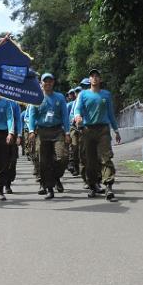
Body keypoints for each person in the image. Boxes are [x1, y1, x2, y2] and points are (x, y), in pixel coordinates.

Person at [74, 68, 122, 201]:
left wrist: (116, 130)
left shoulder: (106, 95)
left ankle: (108, 187)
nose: (94, 78)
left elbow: (111, 114)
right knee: (90, 161)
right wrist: (78, 116)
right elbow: (78, 109)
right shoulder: (83, 95)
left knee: (106, 157)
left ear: (100, 79)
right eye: (92, 76)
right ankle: (92, 185)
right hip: (88, 130)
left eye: (97, 76)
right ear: (89, 79)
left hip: (103, 130)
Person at [28, 73, 70, 199]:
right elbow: (32, 116)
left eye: (50, 81)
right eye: (45, 81)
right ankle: (50, 188)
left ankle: (56, 177)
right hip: (42, 132)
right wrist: (31, 131)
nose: (48, 83)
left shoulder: (60, 97)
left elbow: (65, 116)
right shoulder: (36, 97)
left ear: (53, 82)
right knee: (43, 161)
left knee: (63, 157)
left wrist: (67, 132)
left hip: (57, 131)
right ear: (41, 83)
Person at [3, 98, 22, 193]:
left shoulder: (14, 104)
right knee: (1, 161)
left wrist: (19, 135)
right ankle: (2, 182)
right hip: (0, 134)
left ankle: (8, 183)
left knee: (12, 160)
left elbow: (18, 120)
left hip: (13, 135)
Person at [66, 88, 81, 176]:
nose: (72, 95)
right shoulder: (70, 105)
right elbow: (67, 117)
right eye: (76, 92)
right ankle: (75, 166)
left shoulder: (85, 101)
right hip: (73, 128)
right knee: (74, 147)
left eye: (80, 92)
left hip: (85, 128)